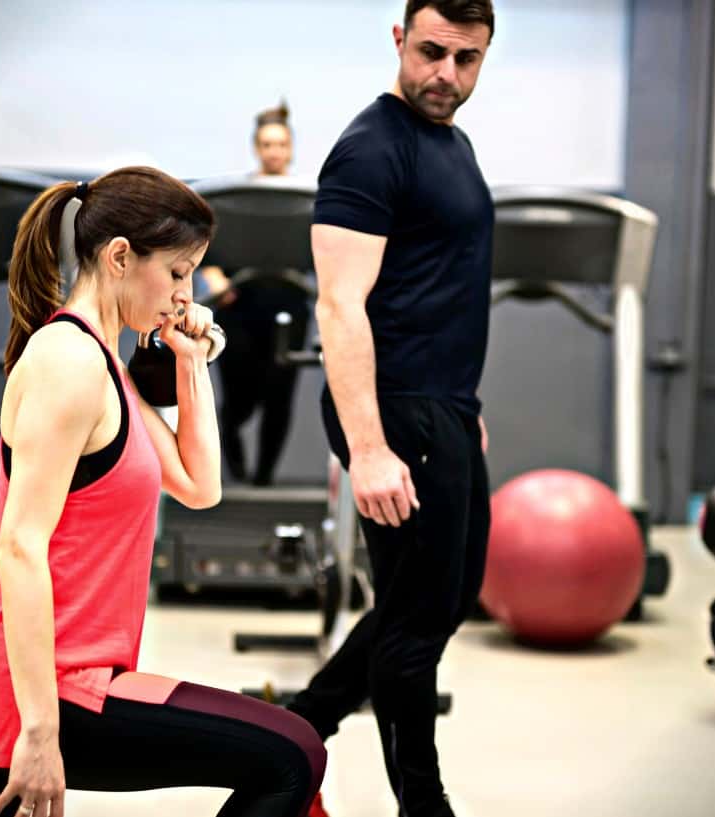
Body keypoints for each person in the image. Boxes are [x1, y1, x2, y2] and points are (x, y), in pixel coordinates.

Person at [0, 166, 325, 817]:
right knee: (288, 758)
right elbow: (19, 545)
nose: (185, 294)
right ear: (121, 256)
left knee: (294, 751)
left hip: (79, 679)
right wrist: (40, 731)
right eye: (179, 272)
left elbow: (199, 485)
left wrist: (190, 363)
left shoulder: (108, 364)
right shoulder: (68, 361)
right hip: (33, 690)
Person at [283, 3, 495, 817]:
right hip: (392, 409)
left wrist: (463, 405)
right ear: (400, 39)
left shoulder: (454, 143)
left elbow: (442, 283)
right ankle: (424, 803)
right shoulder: (369, 149)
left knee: (439, 598)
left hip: (440, 406)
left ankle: (302, 722)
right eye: (434, 52)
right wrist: (368, 447)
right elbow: (340, 308)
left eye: (467, 59)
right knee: (416, 625)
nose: (447, 75)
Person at [200, 101, 312, 486]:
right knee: (239, 399)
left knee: (279, 397)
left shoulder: (306, 199)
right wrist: (215, 278)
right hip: (240, 306)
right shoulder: (237, 197)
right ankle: (234, 469)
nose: (274, 151)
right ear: (256, 148)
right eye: (267, 144)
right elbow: (205, 246)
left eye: (281, 144)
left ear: (291, 148)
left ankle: (263, 480)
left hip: (290, 305)